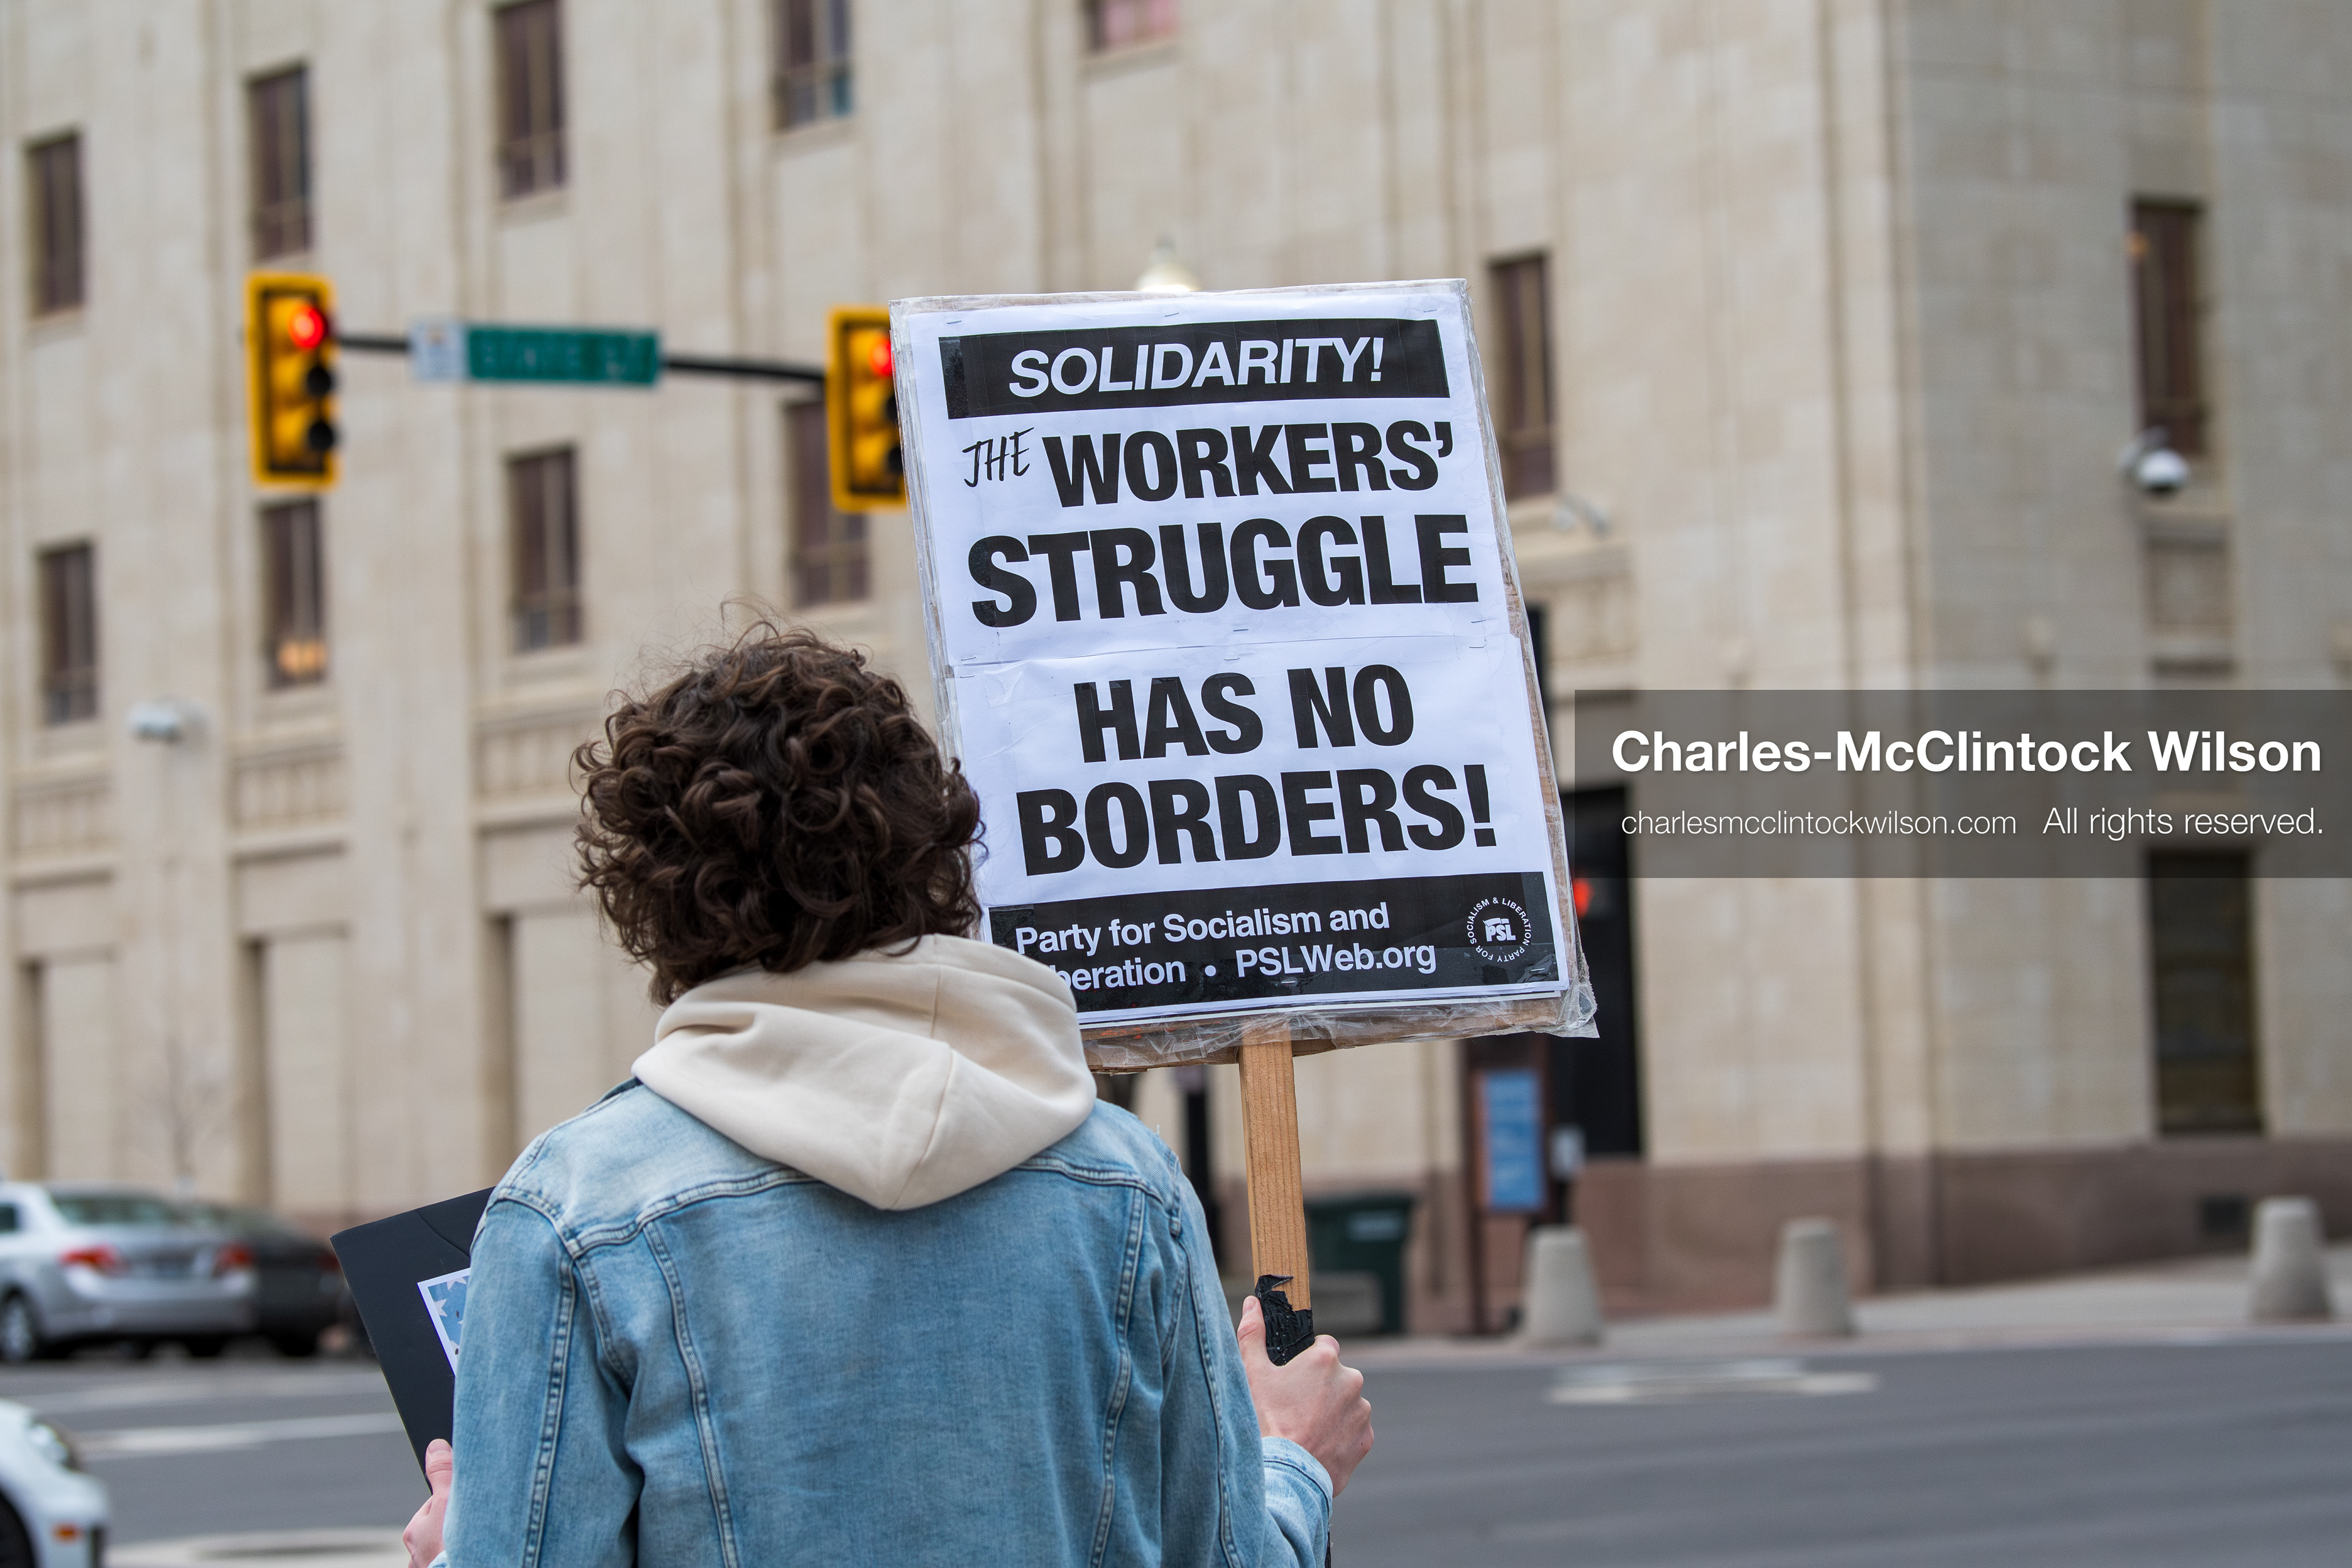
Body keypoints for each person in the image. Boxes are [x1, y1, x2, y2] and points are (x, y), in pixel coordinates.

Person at [404, 626, 1371, 1567]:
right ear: (932, 855)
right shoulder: (1127, 1184)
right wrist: (1292, 1463)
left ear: (653, 902)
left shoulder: (575, 1210)